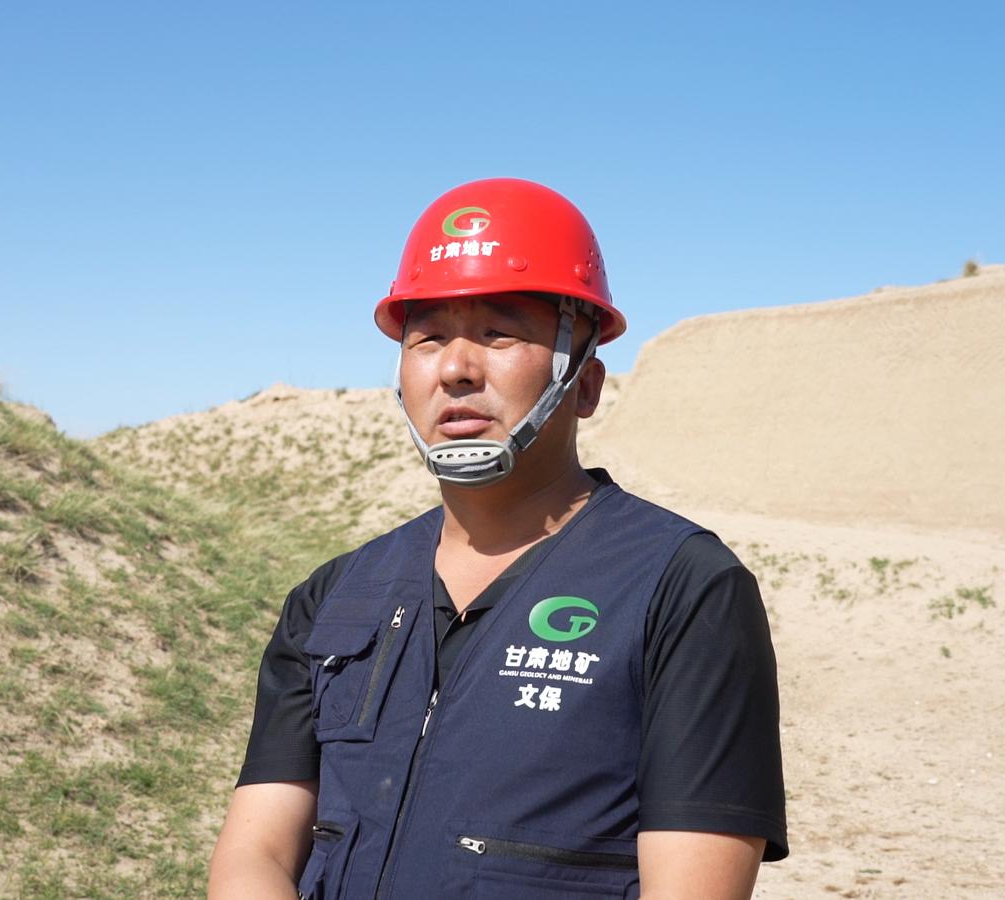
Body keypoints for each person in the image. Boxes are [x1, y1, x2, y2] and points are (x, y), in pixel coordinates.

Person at [208, 178, 787, 899]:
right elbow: (255, 853)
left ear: (585, 383)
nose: (456, 369)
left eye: (498, 334)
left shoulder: (684, 589)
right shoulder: (334, 595)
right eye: (428, 339)